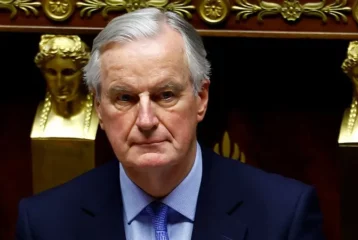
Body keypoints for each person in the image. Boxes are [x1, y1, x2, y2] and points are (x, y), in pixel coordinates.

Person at [16, 7, 325, 240]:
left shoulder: (284, 215)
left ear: (201, 98)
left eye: (165, 95)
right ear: (99, 107)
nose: (146, 120)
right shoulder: (46, 223)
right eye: (125, 98)